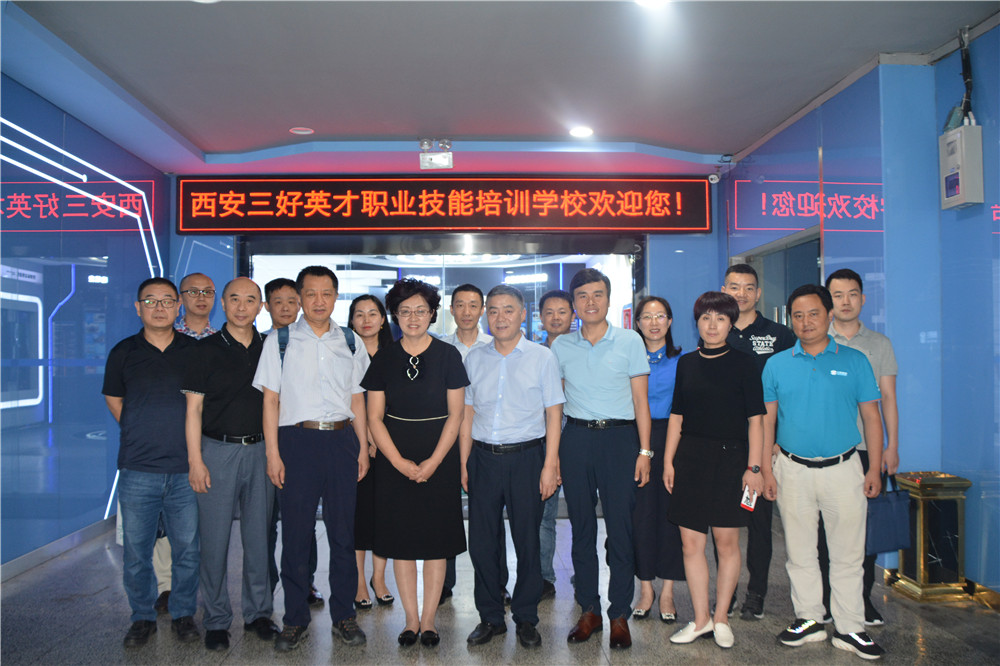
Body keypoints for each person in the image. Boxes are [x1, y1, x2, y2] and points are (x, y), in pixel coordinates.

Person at [762, 284, 885, 660]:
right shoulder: (777, 364)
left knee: (848, 553)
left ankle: (850, 627)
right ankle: (809, 619)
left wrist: (875, 468)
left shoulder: (855, 361)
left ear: (829, 315)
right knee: (799, 552)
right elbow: (767, 421)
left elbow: (872, 417)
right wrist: (766, 468)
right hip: (792, 469)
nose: (805, 322)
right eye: (798, 315)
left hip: (844, 469)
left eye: (813, 313)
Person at [252, 266, 370, 651]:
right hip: (296, 442)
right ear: (301, 297)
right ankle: (295, 619)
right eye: (311, 293)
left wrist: (363, 446)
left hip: (341, 441)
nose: (319, 301)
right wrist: (273, 453)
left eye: (327, 293)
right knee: (296, 535)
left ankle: (344, 616)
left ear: (336, 297)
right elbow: (270, 400)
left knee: (343, 534)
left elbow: (357, 398)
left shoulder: (350, 341)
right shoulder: (280, 340)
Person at [362, 278, 469, 648]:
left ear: (432, 314)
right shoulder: (384, 358)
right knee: (401, 541)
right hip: (394, 456)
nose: (413, 317)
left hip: (440, 454)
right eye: (405, 311)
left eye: (421, 311)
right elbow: (374, 417)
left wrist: (434, 462)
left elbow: (457, 415)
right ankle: (410, 620)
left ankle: (429, 621)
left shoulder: (448, 355)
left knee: (436, 542)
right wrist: (399, 462)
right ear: (395, 315)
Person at [552, 268, 652, 650]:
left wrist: (645, 451)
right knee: (580, 529)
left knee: (620, 530)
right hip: (576, 439)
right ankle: (589, 610)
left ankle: (619, 614)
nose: (590, 302)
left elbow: (641, 401)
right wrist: (554, 455)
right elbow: (555, 405)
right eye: (582, 296)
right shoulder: (561, 346)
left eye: (597, 294)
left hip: (620, 440)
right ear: (574, 303)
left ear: (608, 299)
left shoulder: (629, 340)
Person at [461, 285, 565, 648]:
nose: (500, 317)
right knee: (482, 543)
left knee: (527, 541)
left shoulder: (542, 357)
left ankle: (526, 617)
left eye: (508, 310)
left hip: (527, 459)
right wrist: (464, 463)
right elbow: (467, 413)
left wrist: (550, 465)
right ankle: (490, 616)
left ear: (523, 314)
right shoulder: (474, 358)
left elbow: (554, 414)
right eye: (493, 310)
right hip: (483, 458)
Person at [663, 291, 764, 649]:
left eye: (720, 318)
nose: (712, 325)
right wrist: (668, 461)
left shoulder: (745, 364)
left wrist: (754, 467)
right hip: (690, 458)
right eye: (705, 317)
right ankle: (701, 619)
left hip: (731, 461)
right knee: (691, 543)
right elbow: (677, 416)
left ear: (730, 323)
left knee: (726, 542)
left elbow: (756, 421)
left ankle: (721, 618)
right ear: (697, 322)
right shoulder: (687, 363)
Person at [103, 277, 200, 648]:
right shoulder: (123, 352)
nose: (159, 307)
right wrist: (140, 429)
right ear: (138, 307)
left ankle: (183, 613)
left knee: (187, 550)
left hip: (185, 469)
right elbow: (115, 400)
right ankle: (141, 617)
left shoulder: (194, 351)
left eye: (166, 301)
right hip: (138, 469)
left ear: (178, 306)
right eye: (150, 301)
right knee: (136, 553)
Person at [183, 277, 278, 651]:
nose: (242, 306)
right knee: (214, 540)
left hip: (260, 450)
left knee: (259, 538)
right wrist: (196, 461)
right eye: (234, 299)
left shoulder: (271, 348)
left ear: (261, 307)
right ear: (222, 303)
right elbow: (193, 410)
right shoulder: (203, 350)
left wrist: (275, 454)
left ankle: (258, 614)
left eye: (250, 300)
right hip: (216, 452)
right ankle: (217, 620)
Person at [820, 268, 899, 627]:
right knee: (825, 528)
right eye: (837, 295)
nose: (846, 301)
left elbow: (888, 399)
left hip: (867, 448)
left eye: (852, 294)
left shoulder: (879, 344)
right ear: (829, 301)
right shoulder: (816, 340)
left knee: (863, 530)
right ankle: (825, 599)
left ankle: (861, 599)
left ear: (863, 299)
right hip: (827, 448)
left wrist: (891, 447)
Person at [720, 264, 796, 621]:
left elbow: (791, 392)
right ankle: (728, 593)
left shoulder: (780, 335)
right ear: (724, 289)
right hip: (725, 444)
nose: (741, 293)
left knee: (759, 521)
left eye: (748, 287)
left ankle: (757, 593)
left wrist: (779, 439)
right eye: (734, 287)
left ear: (758, 293)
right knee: (724, 522)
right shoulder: (716, 328)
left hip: (764, 444)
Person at [260, 278, 324, 610]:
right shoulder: (266, 343)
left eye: (291, 301)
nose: (285, 307)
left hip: (296, 444)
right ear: (266, 306)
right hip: (265, 445)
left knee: (301, 522)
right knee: (266, 525)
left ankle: (305, 583)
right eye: (277, 301)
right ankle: (268, 587)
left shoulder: (315, 343)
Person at [440, 283, 505, 604]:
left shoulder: (497, 345)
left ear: (482, 310)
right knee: (444, 512)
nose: (467, 312)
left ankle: (496, 584)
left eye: (473, 305)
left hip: (483, 441)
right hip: (445, 440)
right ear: (451, 309)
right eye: (460, 305)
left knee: (490, 519)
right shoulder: (439, 348)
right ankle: (443, 583)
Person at [630, 296, 685, 624]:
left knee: (670, 515)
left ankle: (667, 591)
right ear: (637, 323)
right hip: (636, 440)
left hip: (674, 439)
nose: (654, 323)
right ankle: (645, 588)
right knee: (640, 516)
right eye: (647, 317)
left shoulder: (684, 361)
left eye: (660, 316)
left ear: (670, 321)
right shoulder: (629, 358)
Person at [347, 294, 396, 611]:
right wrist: (367, 439)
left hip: (391, 446)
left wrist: (383, 441)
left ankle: (379, 578)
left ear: (382, 320)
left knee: (384, 515)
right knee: (358, 514)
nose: (366, 320)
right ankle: (359, 581)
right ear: (351, 321)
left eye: (373, 313)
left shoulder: (395, 354)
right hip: (355, 444)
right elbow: (349, 401)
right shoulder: (344, 352)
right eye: (359, 314)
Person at [537, 289, 574, 600]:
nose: (556, 317)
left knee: (583, 515)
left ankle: (584, 573)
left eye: (562, 311)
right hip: (543, 444)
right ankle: (543, 578)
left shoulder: (583, 351)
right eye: (549, 312)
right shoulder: (533, 354)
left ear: (572, 316)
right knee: (544, 515)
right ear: (540, 317)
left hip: (579, 440)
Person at [175, 272, 218, 339]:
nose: (201, 298)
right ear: (181, 299)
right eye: (194, 292)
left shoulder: (222, 340)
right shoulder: (168, 337)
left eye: (207, 292)